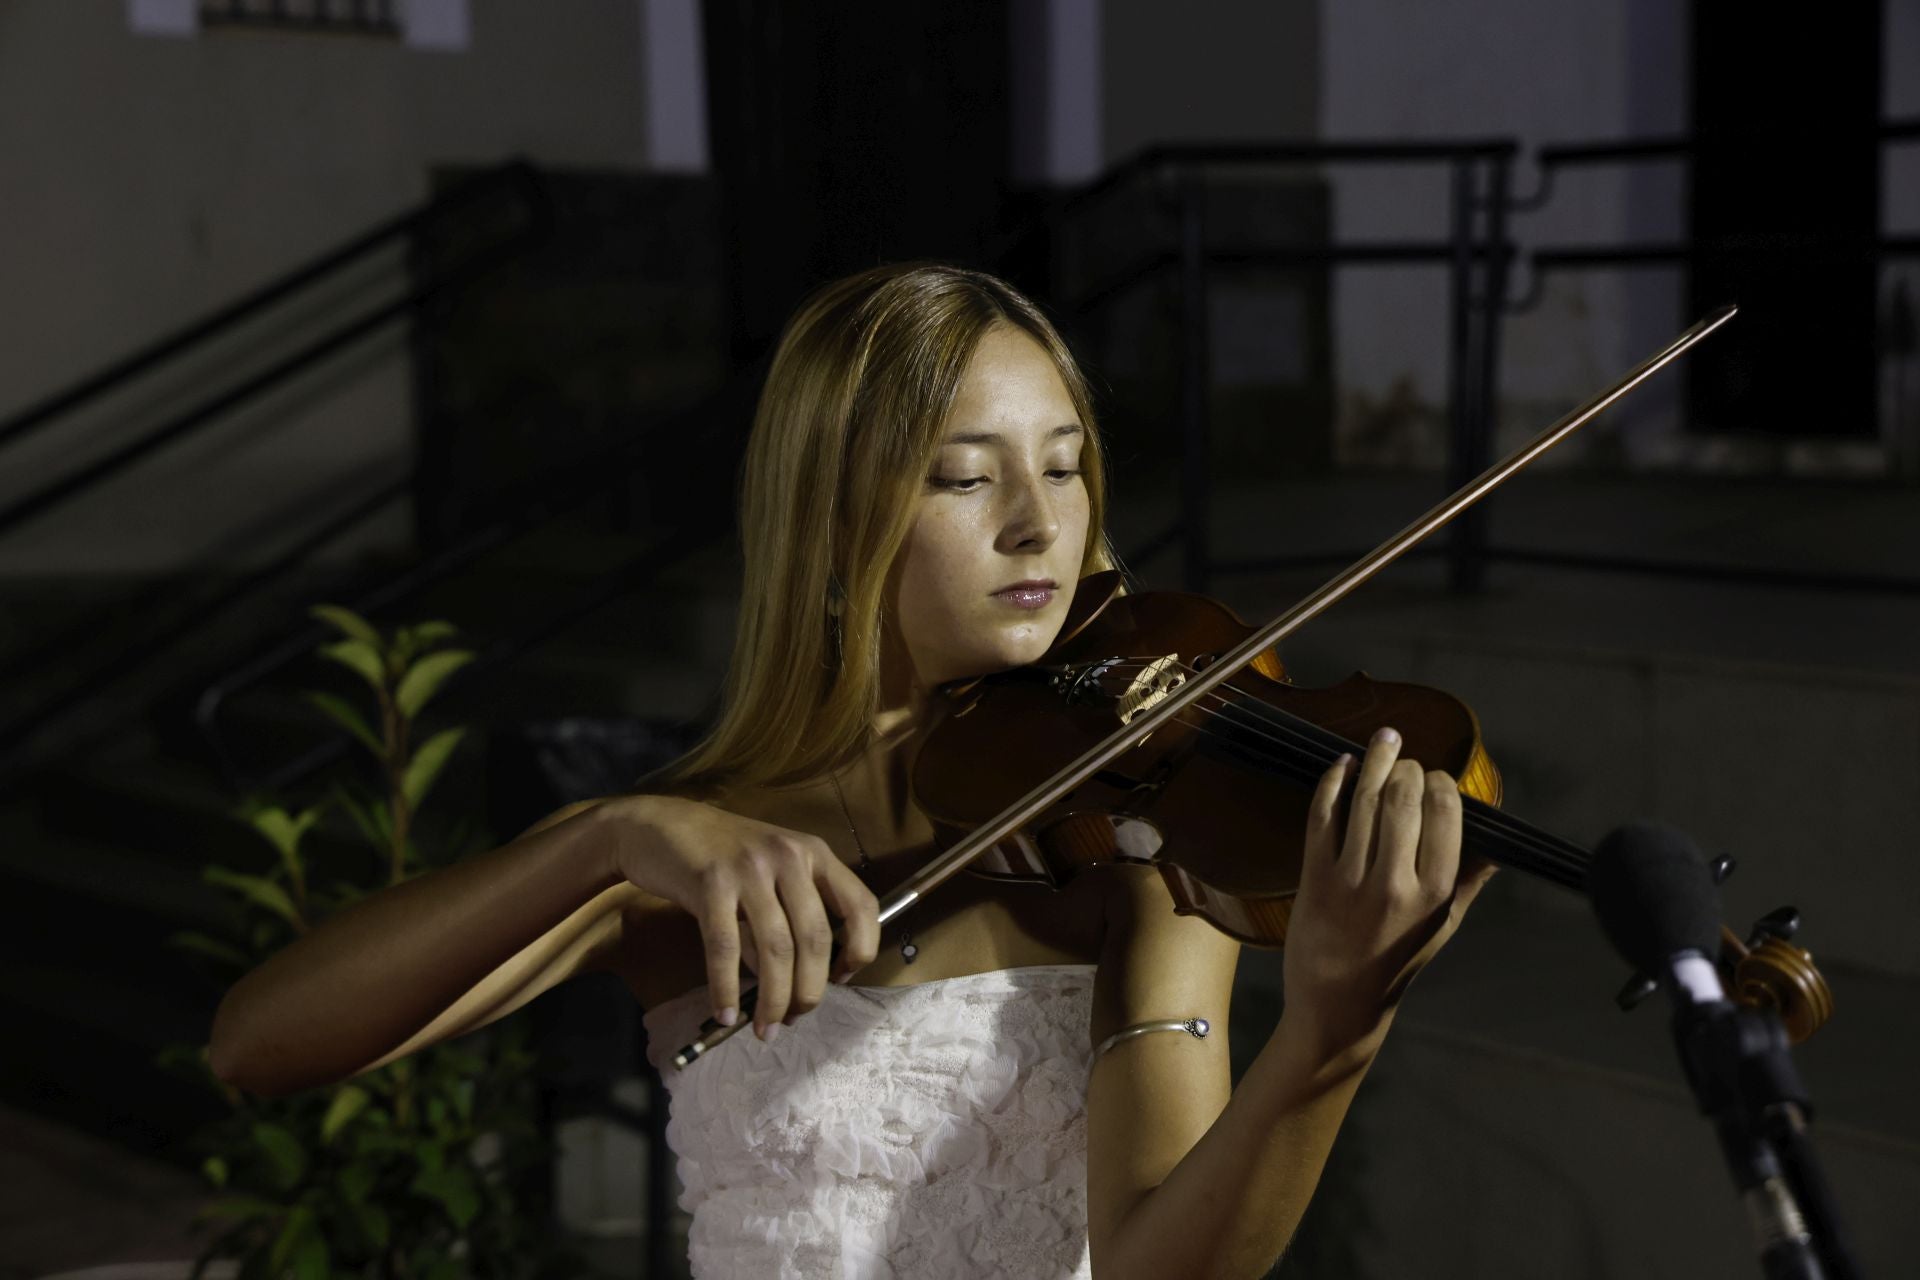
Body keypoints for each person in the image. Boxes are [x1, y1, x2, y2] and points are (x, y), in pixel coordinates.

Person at [209, 262, 1496, 1278]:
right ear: (835, 522)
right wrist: (603, 834)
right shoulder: (684, 866)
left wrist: (1334, 1028)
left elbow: (1162, 1264)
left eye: (1063, 465)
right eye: (964, 476)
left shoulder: (1138, 848)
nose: (1038, 522)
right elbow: (259, 1045)